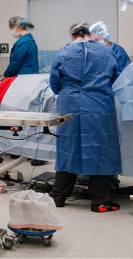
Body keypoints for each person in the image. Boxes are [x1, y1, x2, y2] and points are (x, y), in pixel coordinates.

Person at [49, 22, 122, 213]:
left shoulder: (64, 52)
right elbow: (117, 79)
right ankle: (100, 201)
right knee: (100, 149)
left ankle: (58, 196)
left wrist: (70, 91)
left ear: (72, 36)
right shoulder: (106, 51)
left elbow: (55, 83)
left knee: (68, 147)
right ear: (90, 34)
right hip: (98, 105)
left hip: (70, 104)